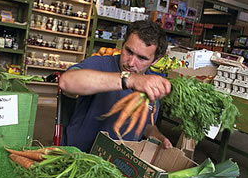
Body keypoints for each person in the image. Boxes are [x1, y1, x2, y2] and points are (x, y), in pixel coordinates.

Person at [58, 20, 173, 152]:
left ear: (156, 60)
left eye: (141, 58)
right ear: (122, 45)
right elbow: (66, 82)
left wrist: (155, 135)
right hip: (81, 155)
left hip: (119, 161)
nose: (130, 62)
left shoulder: (151, 81)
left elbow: (144, 123)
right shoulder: (101, 64)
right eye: (128, 51)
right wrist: (129, 80)